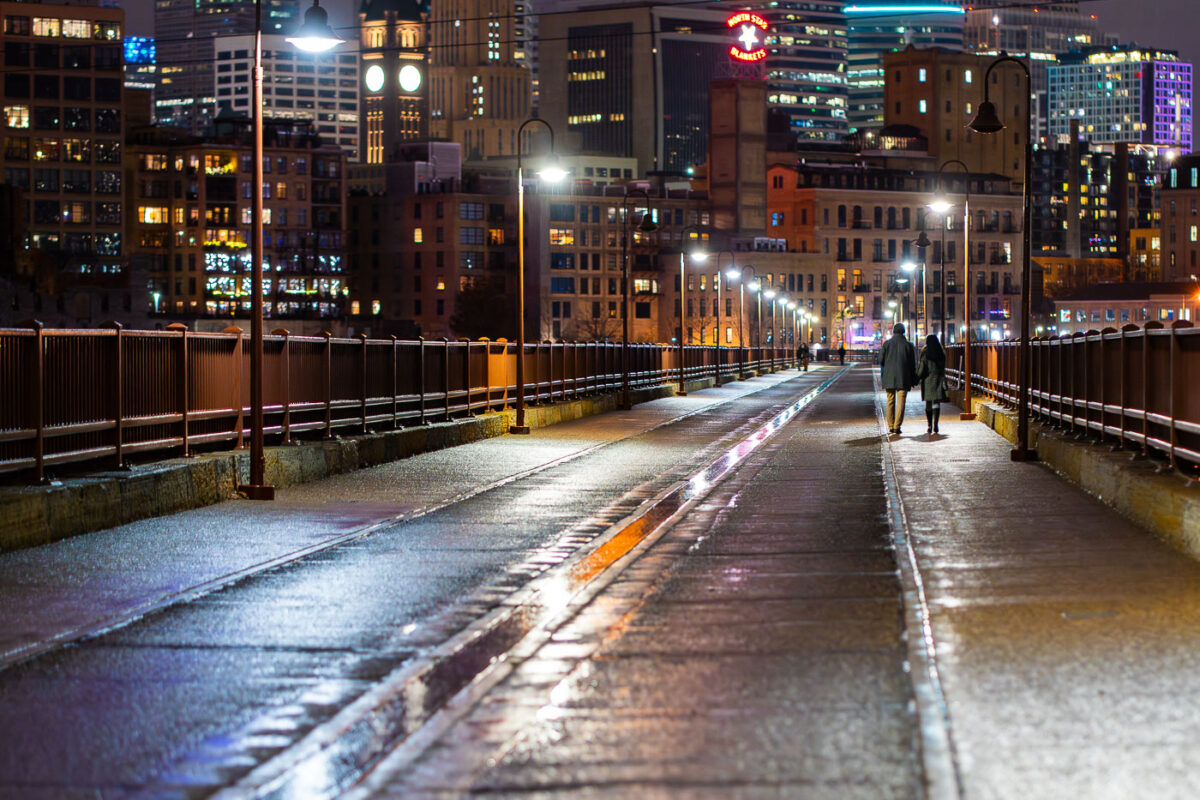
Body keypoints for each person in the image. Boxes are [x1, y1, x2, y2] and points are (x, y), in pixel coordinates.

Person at [879, 322, 917, 436]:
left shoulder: (887, 344)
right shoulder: (909, 345)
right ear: (903, 332)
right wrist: (914, 379)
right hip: (903, 377)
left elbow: (880, 360)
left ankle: (890, 426)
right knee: (901, 403)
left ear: (893, 331)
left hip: (889, 377)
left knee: (890, 401)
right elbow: (912, 364)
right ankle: (897, 426)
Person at [916, 334, 949, 435]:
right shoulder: (940, 352)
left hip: (927, 380)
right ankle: (936, 424)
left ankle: (929, 425)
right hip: (938, 378)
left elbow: (922, 367)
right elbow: (943, 367)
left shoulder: (925, 352)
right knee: (936, 403)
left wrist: (917, 378)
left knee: (928, 403)